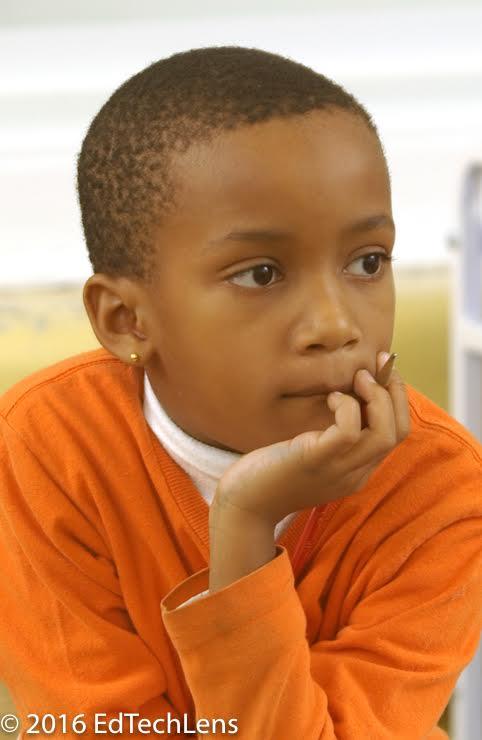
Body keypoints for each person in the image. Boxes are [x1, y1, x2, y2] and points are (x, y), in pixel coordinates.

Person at [0, 45, 481, 740]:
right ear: (126, 320)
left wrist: (246, 530)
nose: (336, 325)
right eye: (260, 274)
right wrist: (246, 526)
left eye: (367, 262)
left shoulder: (440, 491)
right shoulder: (50, 446)